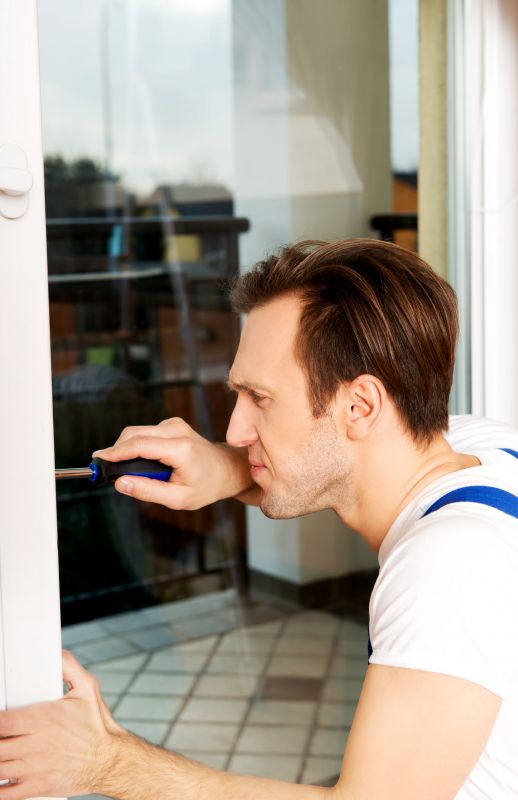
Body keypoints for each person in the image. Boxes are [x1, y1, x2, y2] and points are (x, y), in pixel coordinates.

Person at [1, 238, 517, 800]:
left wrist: (104, 761)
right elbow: (339, 462)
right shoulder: (485, 449)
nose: (235, 430)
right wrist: (225, 469)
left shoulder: (445, 569)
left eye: (259, 398)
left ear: (361, 406)